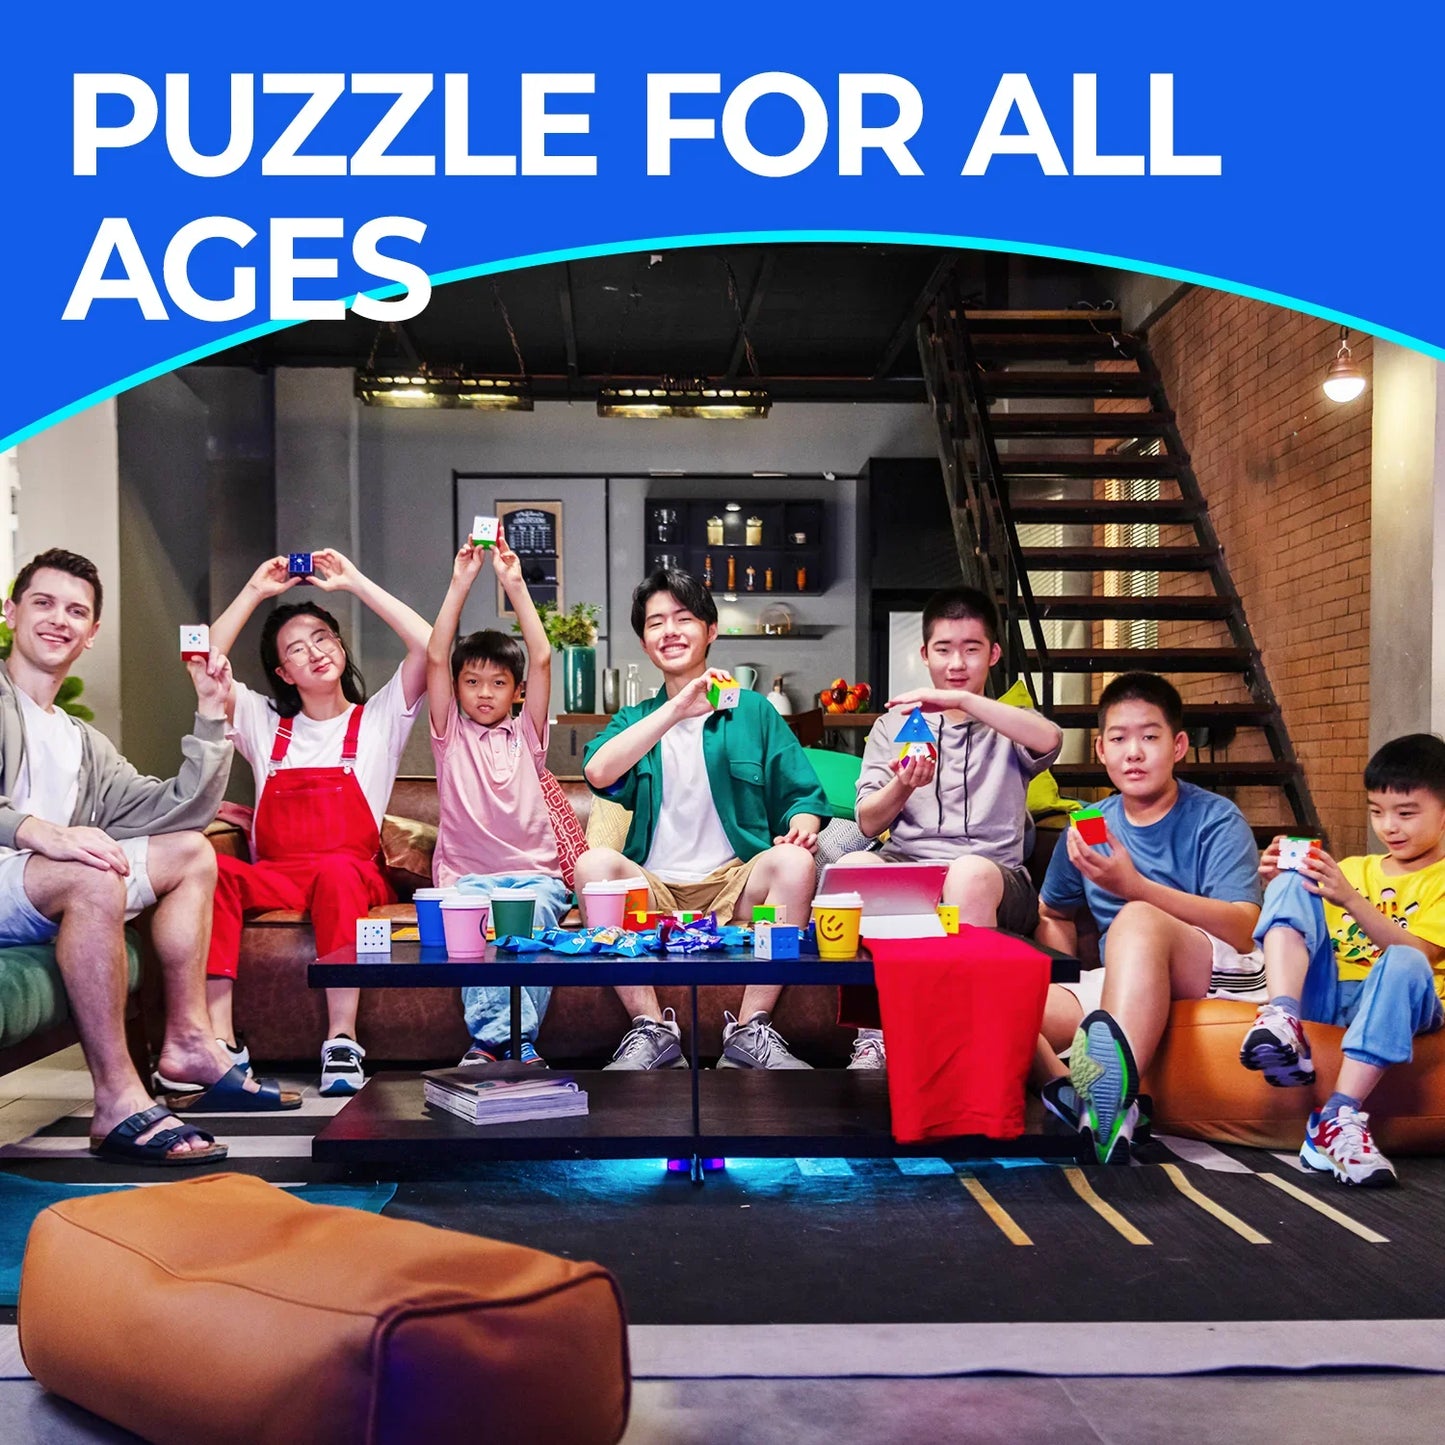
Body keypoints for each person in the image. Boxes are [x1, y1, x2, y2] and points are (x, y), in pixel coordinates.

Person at [0, 549, 294, 1168]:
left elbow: (178, 812)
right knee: (91, 876)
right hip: (17, 874)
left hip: (41, 885)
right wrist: (38, 831)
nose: (60, 619)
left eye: (76, 610)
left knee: (191, 854)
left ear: (92, 633)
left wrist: (213, 717)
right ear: (11, 611)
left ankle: (189, 1039)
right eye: (43, 603)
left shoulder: (84, 743)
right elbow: (52, 843)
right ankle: (115, 1099)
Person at [577, 568, 829, 1070]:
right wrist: (676, 710)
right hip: (655, 892)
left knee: (795, 865)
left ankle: (751, 1032)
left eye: (684, 618)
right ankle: (651, 1032)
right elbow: (598, 771)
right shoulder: (638, 720)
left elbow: (803, 794)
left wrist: (805, 822)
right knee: (594, 867)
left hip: (736, 886)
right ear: (645, 644)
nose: (669, 631)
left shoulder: (754, 711)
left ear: (711, 630)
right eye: (655, 623)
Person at [205, 550, 430, 1095]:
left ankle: (342, 1040)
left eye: (323, 638)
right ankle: (217, 1046)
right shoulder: (263, 724)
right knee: (209, 873)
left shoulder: (378, 720)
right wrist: (256, 590)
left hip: (352, 873)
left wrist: (355, 583)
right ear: (284, 672)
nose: (314, 652)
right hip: (279, 873)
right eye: (296, 649)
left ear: (340, 644)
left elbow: (429, 645)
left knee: (334, 872)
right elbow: (201, 657)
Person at [1034, 672, 1264, 1163]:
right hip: (1121, 974)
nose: (1133, 752)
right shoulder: (1089, 824)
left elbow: (1244, 927)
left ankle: (1109, 1102)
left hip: (1212, 965)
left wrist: (1133, 887)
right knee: (1008, 1001)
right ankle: (1075, 1092)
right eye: (1118, 739)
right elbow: (1053, 910)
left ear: (1178, 745)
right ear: (1100, 750)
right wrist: (1066, 966)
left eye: (1149, 737)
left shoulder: (1216, 818)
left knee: (1136, 917)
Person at [840, 587, 1062, 1070]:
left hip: (996, 880)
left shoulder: (1010, 723)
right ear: (924, 654)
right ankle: (876, 1035)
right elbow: (867, 820)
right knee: (855, 866)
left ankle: (969, 1044)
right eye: (943, 649)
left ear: (993, 654)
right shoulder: (896, 726)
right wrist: (901, 785)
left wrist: (961, 699)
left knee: (968, 873)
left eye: (971, 648)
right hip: (911, 872)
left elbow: (1050, 738)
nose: (956, 661)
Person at [1241, 734, 1445, 1187]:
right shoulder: (1352, 869)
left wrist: (1351, 900)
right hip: (1329, 998)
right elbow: (1300, 932)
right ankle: (1282, 1018)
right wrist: (1276, 880)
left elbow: (1420, 954)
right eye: (1377, 812)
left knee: (1404, 962)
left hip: (1405, 1002)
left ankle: (1337, 1117)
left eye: (1406, 813)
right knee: (1294, 883)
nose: (1388, 826)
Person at [427, 530, 571, 1066]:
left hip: (534, 877)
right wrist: (462, 580)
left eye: (497, 683)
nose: (483, 693)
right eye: (472, 682)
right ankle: (517, 1045)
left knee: (528, 926)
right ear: (458, 688)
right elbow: (436, 654)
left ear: (517, 692)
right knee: (476, 933)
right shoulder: (448, 735)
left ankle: (490, 1046)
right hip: (465, 881)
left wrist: (514, 584)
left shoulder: (527, 735)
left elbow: (541, 655)